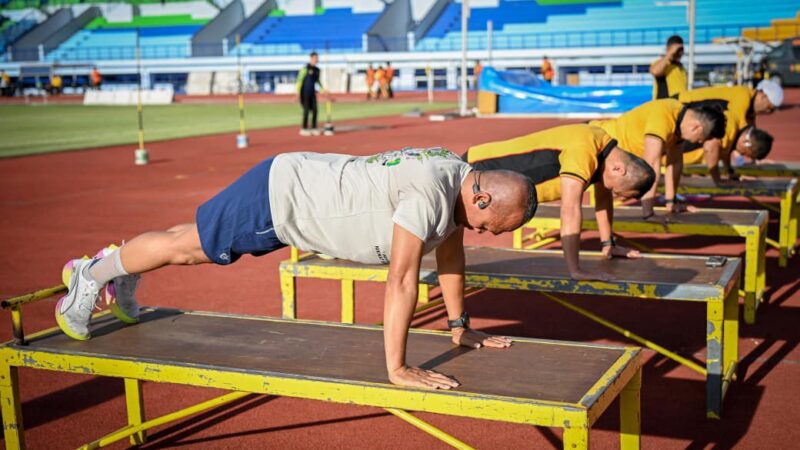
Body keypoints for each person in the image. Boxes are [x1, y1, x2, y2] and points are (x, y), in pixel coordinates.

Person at [56, 148, 538, 390]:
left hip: (297, 193)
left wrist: (459, 327)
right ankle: (92, 275)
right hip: (280, 198)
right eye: (495, 225)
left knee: (189, 242)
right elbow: (402, 279)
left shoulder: (456, 176)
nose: (490, 234)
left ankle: (118, 266)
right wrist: (397, 367)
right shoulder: (432, 192)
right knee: (187, 248)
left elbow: (452, 254)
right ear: (480, 197)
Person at [464, 124, 655, 280]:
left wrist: (608, 243)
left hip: (487, 176)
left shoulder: (603, 146)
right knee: (444, 237)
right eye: (615, 189)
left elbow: (603, 200)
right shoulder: (584, 149)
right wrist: (576, 270)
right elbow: (570, 209)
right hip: (478, 171)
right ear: (619, 169)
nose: (611, 193)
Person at [590, 99, 726, 218]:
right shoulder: (664, 115)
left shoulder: (679, 122)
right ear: (696, 127)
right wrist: (648, 213)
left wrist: (671, 202)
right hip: (595, 144)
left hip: (613, 155)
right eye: (703, 139)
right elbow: (651, 164)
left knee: (602, 200)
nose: (700, 143)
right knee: (579, 197)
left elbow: (674, 163)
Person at [678, 82, 782, 180]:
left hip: (689, 119)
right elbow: (731, 140)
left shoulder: (748, 114)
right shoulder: (743, 97)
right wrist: (717, 179)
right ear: (763, 96)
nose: (768, 111)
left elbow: (743, 139)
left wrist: (754, 161)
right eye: (769, 107)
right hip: (680, 106)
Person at [650, 35, 687, 100]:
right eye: (677, 50)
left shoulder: (681, 68)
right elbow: (655, 71)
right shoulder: (663, 63)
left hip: (679, 105)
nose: (679, 52)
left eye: (681, 50)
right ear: (668, 49)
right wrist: (670, 53)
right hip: (664, 106)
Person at [296, 52, 324, 136]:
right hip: (304, 93)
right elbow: (299, 81)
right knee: (306, 110)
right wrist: (297, 93)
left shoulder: (317, 70)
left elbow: (318, 82)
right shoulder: (305, 69)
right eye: (315, 58)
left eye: (317, 58)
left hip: (313, 93)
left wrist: (323, 91)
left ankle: (314, 127)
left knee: (315, 110)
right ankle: (304, 128)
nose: (317, 59)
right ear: (311, 58)